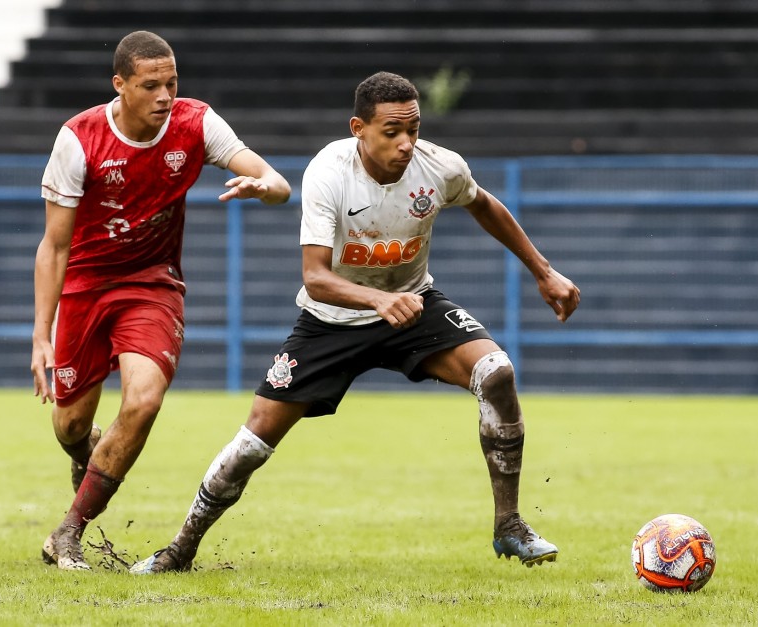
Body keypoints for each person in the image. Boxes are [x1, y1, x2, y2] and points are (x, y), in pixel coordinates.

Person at [130, 70, 580, 574]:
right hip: (331, 320)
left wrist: (544, 272)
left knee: (496, 372)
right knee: (253, 442)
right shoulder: (329, 173)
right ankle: (180, 549)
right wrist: (375, 301)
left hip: (412, 303)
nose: (407, 143)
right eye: (392, 132)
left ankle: (510, 527)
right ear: (358, 129)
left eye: (413, 129)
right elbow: (316, 277)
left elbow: (483, 204)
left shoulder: (440, 167)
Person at [31, 30, 292, 571]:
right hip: (84, 284)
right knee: (69, 426)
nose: (165, 95)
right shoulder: (78, 139)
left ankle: (67, 533)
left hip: (152, 285)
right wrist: (42, 334)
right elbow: (55, 246)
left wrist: (263, 186)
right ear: (119, 85)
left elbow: (275, 180)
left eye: (171, 82)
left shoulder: (196, 123)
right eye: (150, 85)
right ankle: (87, 452)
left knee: (144, 399)